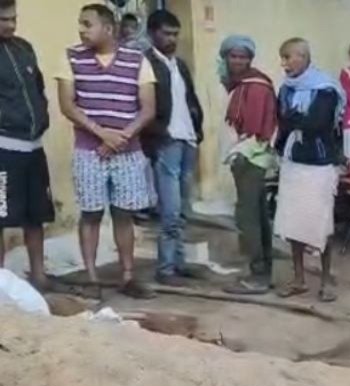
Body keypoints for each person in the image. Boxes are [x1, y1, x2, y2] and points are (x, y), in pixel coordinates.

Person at [56, 3, 158, 299]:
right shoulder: (71, 57)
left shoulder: (137, 60)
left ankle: (127, 276)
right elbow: (67, 106)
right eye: (80, 24)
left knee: (123, 214)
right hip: (89, 152)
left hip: (127, 151)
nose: (81, 30)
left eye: (87, 24)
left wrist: (121, 138)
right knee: (90, 214)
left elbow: (148, 108)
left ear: (109, 28)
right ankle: (92, 279)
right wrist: (103, 135)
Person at [272, 38, 345, 303]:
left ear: (302, 57)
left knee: (321, 224)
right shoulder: (286, 89)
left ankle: (326, 282)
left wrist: (294, 120)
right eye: (282, 58)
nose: (284, 64)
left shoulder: (325, 88)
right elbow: (283, 122)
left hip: (319, 164)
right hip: (293, 163)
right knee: (293, 223)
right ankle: (299, 279)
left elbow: (318, 124)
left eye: (287, 57)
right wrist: (283, 140)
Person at [143, 9, 204, 287]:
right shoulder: (145, 65)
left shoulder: (179, 65)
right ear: (152, 34)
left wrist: (197, 130)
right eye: (166, 34)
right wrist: (159, 133)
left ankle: (179, 263)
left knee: (183, 210)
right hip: (166, 141)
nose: (172, 39)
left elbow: (191, 99)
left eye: (175, 34)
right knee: (170, 209)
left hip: (187, 140)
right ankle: (166, 268)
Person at [218, 35, 278, 296]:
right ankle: (262, 271)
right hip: (245, 156)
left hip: (250, 157)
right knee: (258, 215)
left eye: (243, 57)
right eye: (233, 56)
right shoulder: (238, 84)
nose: (238, 61)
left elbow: (256, 129)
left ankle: (258, 275)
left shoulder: (255, 86)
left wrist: (241, 154)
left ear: (250, 59)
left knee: (249, 218)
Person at [0, 0, 54, 290]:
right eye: (3, 20)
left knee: (36, 215)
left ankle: (39, 275)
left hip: (33, 148)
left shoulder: (24, 48)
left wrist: (43, 114)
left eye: (13, 19)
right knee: (0, 216)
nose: (10, 25)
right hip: (3, 150)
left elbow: (39, 89)